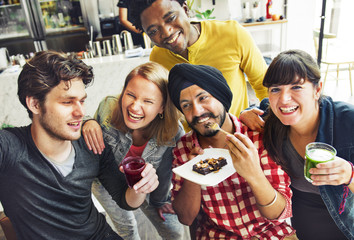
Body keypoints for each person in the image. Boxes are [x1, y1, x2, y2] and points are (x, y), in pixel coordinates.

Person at [0, 50, 159, 240]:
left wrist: (140, 186)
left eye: (82, 101)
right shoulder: (10, 147)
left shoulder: (92, 145)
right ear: (34, 104)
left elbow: (126, 201)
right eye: (67, 102)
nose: (81, 112)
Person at [167, 63, 297, 239]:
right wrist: (194, 174)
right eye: (186, 105)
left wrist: (254, 174)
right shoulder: (184, 149)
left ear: (221, 97)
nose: (197, 111)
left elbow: (280, 213)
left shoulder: (259, 135)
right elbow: (186, 218)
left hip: (271, 234)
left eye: (203, 98)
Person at [82, 62, 185, 240]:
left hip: (145, 183)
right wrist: (87, 121)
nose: (135, 107)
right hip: (106, 182)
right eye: (130, 95)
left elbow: (164, 171)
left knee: (174, 231)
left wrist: (159, 202)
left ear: (162, 107)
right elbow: (82, 123)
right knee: (127, 229)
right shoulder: (108, 107)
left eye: (148, 101)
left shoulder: (173, 131)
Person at [261, 49, 354, 239]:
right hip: (304, 227)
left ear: (317, 89)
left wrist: (350, 175)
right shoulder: (270, 120)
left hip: (347, 226)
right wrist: (246, 113)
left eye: (296, 87)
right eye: (275, 89)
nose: (284, 99)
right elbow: (259, 107)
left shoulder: (348, 121)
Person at [129, 0, 268, 118]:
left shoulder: (233, 34)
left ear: (185, 10)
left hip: (238, 136)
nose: (167, 32)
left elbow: (264, 86)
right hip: (191, 146)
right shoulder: (157, 58)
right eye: (153, 31)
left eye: (170, 18)